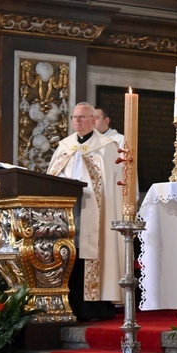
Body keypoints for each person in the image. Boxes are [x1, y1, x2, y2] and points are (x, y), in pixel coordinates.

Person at [46, 102, 124, 321]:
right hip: (67, 210)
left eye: (82, 117)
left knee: (91, 253)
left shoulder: (106, 146)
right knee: (69, 253)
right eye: (75, 117)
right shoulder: (64, 147)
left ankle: (93, 307)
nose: (78, 121)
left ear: (93, 120)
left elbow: (111, 183)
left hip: (95, 210)